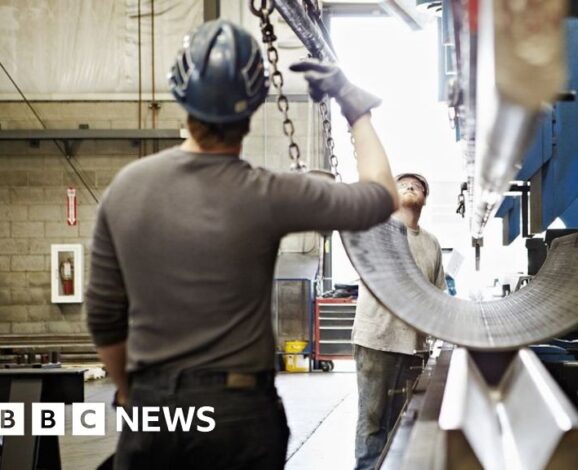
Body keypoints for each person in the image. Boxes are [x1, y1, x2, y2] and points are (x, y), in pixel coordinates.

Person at [85, 19, 398, 470]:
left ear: (181, 96)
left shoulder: (127, 187)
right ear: (252, 109)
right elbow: (382, 195)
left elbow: (103, 317)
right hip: (238, 413)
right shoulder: (269, 194)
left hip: (155, 405)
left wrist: (137, 396)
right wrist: (354, 105)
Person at [351, 172, 446, 470]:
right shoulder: (374, 230)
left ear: (425, 201)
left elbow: (438, 294)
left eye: (418, 186)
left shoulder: (431, 243)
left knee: (400, 421)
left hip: (413, 346)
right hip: (377, 338)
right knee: (372, 418)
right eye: (403, 184)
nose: (410, 187)